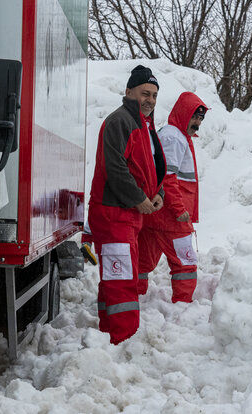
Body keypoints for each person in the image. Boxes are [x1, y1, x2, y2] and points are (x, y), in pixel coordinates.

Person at [88, 65, 166, 345]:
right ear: (129, 91)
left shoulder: (143, 126)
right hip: (114, 214)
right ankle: (123, 341)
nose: (150, 100)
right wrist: (139, 199)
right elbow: (115, 168)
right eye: (145, 93)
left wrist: (158, 194)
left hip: (127, 215)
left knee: (116, 276)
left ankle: (109, 335)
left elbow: (147, 168)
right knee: (122, 281)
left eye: (155, 95)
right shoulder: (120, 121)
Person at [138, 92, 208, 303]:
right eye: (195, 117)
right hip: (171, 216)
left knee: (143, 261)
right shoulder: (174, 137)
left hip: (157, 214)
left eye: (200, 119)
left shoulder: (174, 135)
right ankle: (183, 305)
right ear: (184, 113)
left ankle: (134, 298)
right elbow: (167, 178)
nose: (197, 123)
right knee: (185, 263)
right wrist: (179, 210)